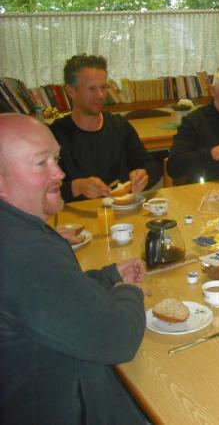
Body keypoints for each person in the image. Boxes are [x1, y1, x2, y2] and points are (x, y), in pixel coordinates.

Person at [0, 113, 148, 424]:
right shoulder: (22, 251)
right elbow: (118, 339)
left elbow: (55, 294)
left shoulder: (15, 229)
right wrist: (129, 290)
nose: (60, 173)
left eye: (56, 159)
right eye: (41, 163)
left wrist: (108, 277)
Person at [51, 53, 161, 202]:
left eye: (103, 87)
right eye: (91, 88)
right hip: (75, 213)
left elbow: (151, 165)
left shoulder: (119, 126)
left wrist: (144, 175)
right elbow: (41, 190)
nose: (101, 95)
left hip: (121, 211)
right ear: (71, 91)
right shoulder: (54, 135)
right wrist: (76, 187)